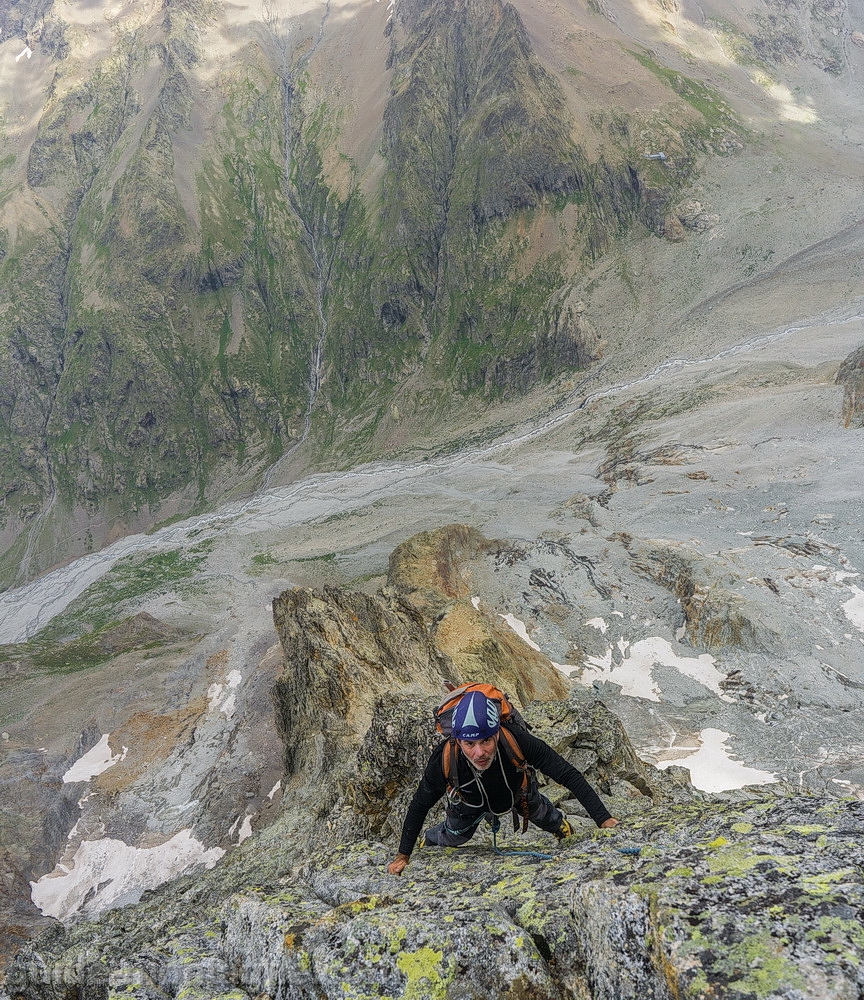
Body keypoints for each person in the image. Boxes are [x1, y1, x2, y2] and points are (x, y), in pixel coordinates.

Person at [387, 689, 618, 875]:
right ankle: (429, 841)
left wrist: (603, 818)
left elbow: (567, 774)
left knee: (544, 815)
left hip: (517, 793)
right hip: (470, 803)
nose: (479, 752)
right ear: (458, 741)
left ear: (497, 732)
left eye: (486, 740)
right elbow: (420, 804)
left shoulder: (517, 740)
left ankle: (561, 828)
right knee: (453, 835)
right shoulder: (445, 758)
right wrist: (403, 855)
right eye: (470, 744)